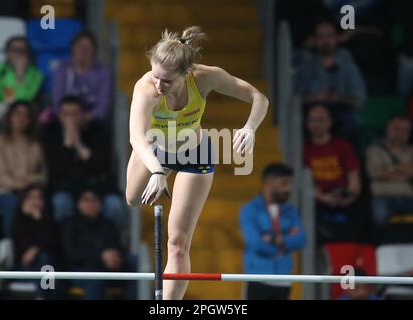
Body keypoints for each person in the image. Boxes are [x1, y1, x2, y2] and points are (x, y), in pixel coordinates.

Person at [124, 26, 269, 300]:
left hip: (194, 152)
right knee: (131, 198)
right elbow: (136, 136)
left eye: (166, 81)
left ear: (186, 73)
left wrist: (250, 128)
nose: (158, 85)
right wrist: (156, 169)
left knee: (178, 243)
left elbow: (258, 98)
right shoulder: (146, 89)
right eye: (155, 76)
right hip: (154, 148)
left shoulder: (205, 77)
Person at [43, 96, 124, 227]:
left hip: (96, 187)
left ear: (84, 115)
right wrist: (67, 148)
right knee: (60, 203)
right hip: (66, 189)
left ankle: (111, 242)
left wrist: (79, 146)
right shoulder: (52, 134)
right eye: (66, 114)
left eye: (75, 114)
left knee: (114, 204)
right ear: (60, 116)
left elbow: (103, 166)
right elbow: (54, 172)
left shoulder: (98, 131)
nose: (71, 119)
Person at [239, 163, 306, 300]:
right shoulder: (250, 209)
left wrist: (273, 239)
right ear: (268, 183)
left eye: (289, 184)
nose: (289, 188)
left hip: (284, 279)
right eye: (284, 183)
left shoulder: (291, 211)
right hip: (257, 277)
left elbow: (301, 239)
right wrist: (282, 246)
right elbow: (255, 242)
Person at [295, 20, 366, 140]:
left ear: (337, 38)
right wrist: (316, 97)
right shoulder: (305, 64)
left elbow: (359, 99)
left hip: (340, 114)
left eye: (329, 36)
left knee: (349, 121)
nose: (325, 41)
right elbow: (294, 100)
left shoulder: (347, 63)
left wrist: (336, 97)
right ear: (314, 40)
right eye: (320, 37)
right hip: (310, 114)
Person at [0, 101, 47, 237]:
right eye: (17, 114)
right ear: (9, 117)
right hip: (3, 191)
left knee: (39, 204)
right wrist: (16, 184)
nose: (22, 118)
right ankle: (11, 248)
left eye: (26, 115)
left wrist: (31, 182)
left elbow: (43, 175)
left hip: (30, 190)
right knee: (13, 204)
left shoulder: (35, 145)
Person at [303, 104, 363, 243]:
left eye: (321, 120)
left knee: (361, 210)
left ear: (330, 122)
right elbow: (306, 182)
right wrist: (323, 198)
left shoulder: (343, 146)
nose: (316, 124)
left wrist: (350, 196)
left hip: (342, 194)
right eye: (312, 120)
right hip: (317, 197)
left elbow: (354, 178)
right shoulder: (304, 149)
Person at [61, 187, 128, 299]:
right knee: (95, 279)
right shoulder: (69, 224)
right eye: (86, 200)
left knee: (133, 264)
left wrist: (116, 257)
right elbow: (70, 253)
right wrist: (100, 256)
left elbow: (117, 247)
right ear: (78, 204)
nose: (90, 204)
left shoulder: (107, 224)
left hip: (107, 269)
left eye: (94, 200)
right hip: (78, 270)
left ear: (100, 204)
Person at [52, 31, 112, 122]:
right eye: (80, 46)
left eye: (88, 47)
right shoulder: (62, 69)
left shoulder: (103, 72)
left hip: (91, 121)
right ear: (73, 49)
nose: (83, 51)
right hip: (64, 119)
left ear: (94, 51)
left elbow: (102, 107)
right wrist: (69, 119)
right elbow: (57, 102)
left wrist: (83, 119)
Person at [366, 115, 413, 231]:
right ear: (387, 128)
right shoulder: (375, 149)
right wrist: (404, 172)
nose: (399, 133)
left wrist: (389, 168)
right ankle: (380, 247)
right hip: (383, 197)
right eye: (396, 129)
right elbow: (375, 172)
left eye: (404, 130)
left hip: (409, 197)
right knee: (379, 218)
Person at [12, 185, 58, 299]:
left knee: (45, 259)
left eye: (39, 198)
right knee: (45, 266)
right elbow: (20, 247)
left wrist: (40, 220)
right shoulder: (17, 220)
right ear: (24, 200)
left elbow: (50, 243)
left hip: (47, 267)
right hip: (24, 268)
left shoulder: (48, 221)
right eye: (31, 197)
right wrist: (25, 218)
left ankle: (42, 296)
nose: (35, 201)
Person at [0, 36, 43, 121]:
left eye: (23, 50)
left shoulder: (36, 75)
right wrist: (0, 108)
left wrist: (20, 75)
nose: (19, 54)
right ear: (7, 53)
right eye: (16, 50)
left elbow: (25, 99)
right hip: (0, 112)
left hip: (24, 114)